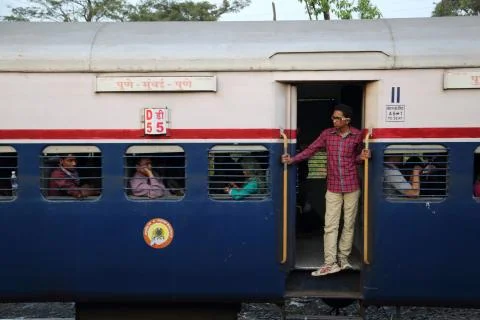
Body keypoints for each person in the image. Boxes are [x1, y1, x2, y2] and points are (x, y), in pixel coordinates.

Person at [282, 104, 370, 277]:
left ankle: (343, 260)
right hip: (333, 187)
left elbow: (357, 158)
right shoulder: (326, 135)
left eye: (337, 118)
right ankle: (330, 263)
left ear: (347, 120)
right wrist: (293, 159)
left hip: (352, 185)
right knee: (330, 225)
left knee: (349, 224)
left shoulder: (358, 136)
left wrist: (363, 157)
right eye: (333, 117)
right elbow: (311, 150)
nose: (334, 120)